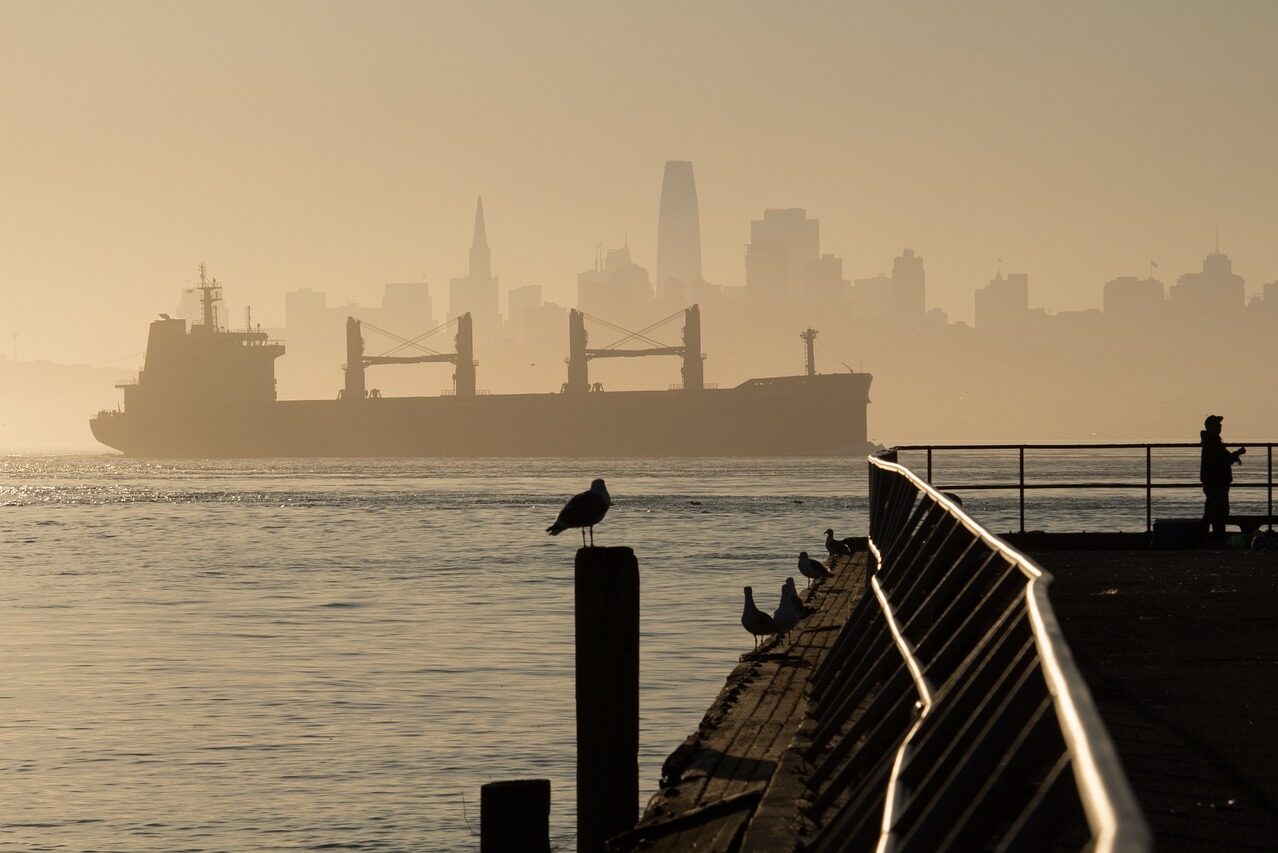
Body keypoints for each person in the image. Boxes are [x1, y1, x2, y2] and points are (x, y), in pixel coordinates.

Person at [1200, 414, 1245, 541]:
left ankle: (1205, 538)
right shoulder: (1214, 443)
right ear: (1211, 427)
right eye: (1218, 425)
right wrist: (1237, 453)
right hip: (1217, 483)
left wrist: (1234, 456)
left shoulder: (1211, 441)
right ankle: (1217, 538)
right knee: (1219, 512)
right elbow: (1223, 460)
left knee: (1210, 512)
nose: (1220, 427)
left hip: (1212, 482)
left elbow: (1222, 459)